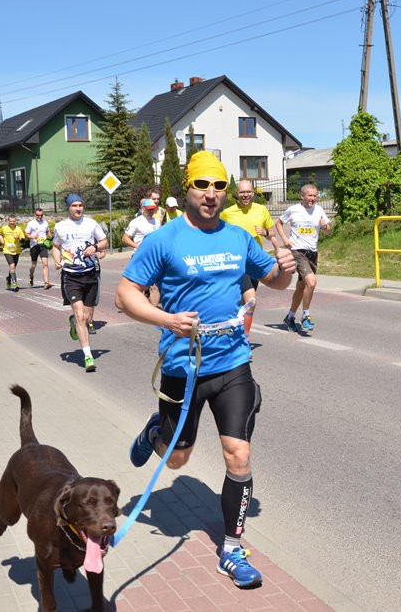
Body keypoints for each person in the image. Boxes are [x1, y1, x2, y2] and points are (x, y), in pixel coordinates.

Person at [116, 151, 294, 589]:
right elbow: (125, 294)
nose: (211, 194)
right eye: (203, 185)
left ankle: (232, 550)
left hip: (232, 362)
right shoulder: (164, 239)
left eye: (219, 186)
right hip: (183, 365)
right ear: (186, 189)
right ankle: (155, 432)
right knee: (177, 460)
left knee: (240, 455)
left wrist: (284, 267)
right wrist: (167, 320)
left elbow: (273, 279)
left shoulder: (237, 237)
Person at [52, 194, 108, 372]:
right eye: (74, 205)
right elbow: (56, 246)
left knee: (89, 317)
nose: (78, 208)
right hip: (71, 276)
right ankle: (88, 356)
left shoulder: (91, 223)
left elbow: (104, 242)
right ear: (68, 208)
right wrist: (57, 260)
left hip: (90, 275)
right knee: (80, 316)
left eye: (81, 205)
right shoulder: (60, 227)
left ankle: (74, 322)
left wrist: (96, 248)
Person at [221, 179, 282, 335]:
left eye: (248, 192)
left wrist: (266, 233)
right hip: (236, 263)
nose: (245, 195)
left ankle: (238, 331)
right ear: (237, 194)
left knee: (248, 303)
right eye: (242, 192)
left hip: (255, 263)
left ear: (253, 193)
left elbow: (272, 233)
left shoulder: (261, 210)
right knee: (247, 300)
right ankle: (243, 337)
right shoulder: (227, 213)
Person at [277, 184, 332, 332]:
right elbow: (279, 223)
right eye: (310, 196)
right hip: (298, 251)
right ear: (302, 196)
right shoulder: (294, 209)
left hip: (312, 253)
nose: (313, 199)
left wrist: (325, 226)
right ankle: (305, 316)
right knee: (312, 282)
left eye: (315, 196)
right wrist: (284, 239)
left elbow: (328, 230)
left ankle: (290, 317)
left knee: (302, 287)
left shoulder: (319, 210)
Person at [25, 208, 52, 289]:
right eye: (38, 215)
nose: (39, 217)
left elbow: (47, 231)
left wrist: (49, 235)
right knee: (33, 265)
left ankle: (46, 282)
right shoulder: (31, 223)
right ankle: (31, 275)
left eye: (41, 215)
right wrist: (33, 236)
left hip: (43, 245)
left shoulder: (45, 223)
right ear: (35, 215)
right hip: (34, 246)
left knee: (45, 263)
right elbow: (26, 234)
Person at [0, 214, 25, 292]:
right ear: (8, 221)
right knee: (12, 266)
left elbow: (23, 240)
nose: (12, 223)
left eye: (13, 221)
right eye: (10, 221)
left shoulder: (18, 229)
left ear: (15, 221)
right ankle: (15, 284)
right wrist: (1, 240)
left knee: (13, 268)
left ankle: (9, 278)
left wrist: (19, 238)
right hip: (7, 250)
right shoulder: (4, 228)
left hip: (16, 251)